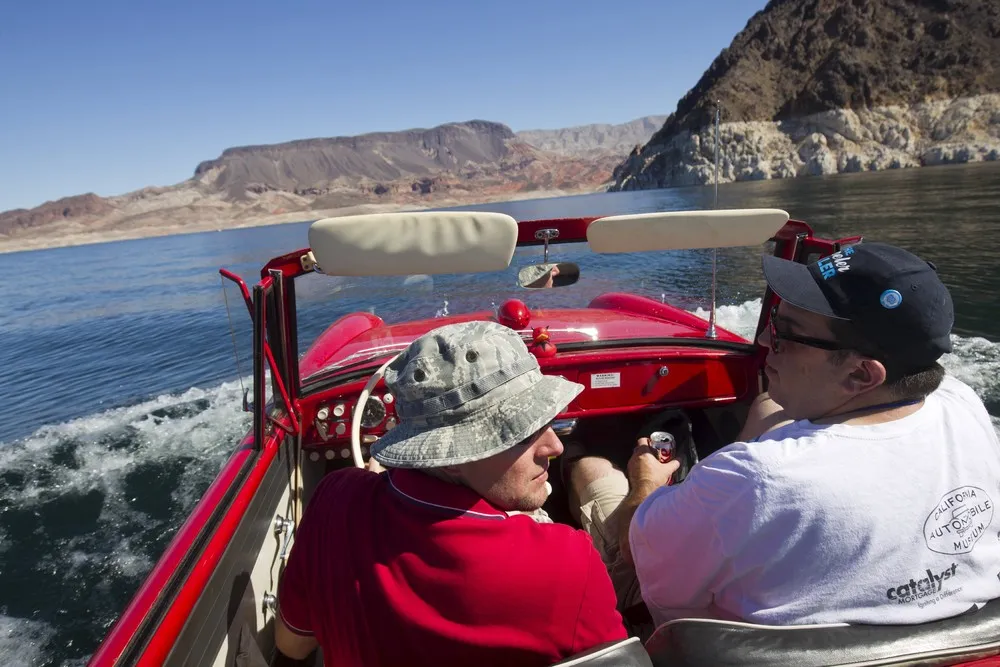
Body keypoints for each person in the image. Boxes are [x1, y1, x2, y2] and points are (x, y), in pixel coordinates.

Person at [566, 242, 1000, 627]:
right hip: (948, 637)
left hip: (709, 639)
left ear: (861, 373)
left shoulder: (753, 478)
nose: (762, 339)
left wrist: (647, 483)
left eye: (786, 335)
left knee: (591, 468)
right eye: (774, 318)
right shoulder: (962, 404)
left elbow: (638, 549)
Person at [275, 321, 627, 666]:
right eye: (522, 433)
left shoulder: (335, 499)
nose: (554, 446)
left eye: (547, 422)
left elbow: (292, 645)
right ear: (453, 458)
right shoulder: (566, 563)